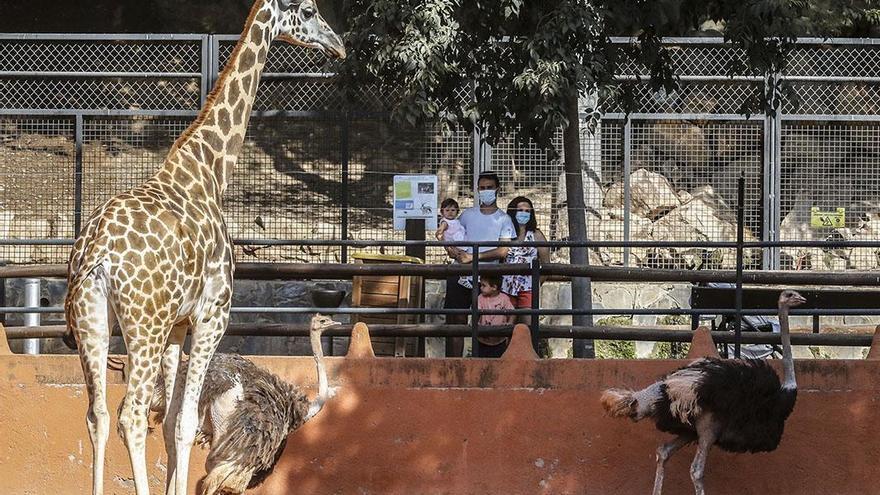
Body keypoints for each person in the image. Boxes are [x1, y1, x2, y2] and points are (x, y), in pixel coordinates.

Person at [443, 171, 516, 357]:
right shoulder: (467, 215)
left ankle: (482, 364)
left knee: (487, 322)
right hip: (461, 275)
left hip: (487, 278)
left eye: (489, 188)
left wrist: (473, 257)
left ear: (497, 189)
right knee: (456, 322)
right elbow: (452, 236)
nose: (485, 191)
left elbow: (503, 250)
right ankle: (453, 365)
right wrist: (453, 251)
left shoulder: (504, 219)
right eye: (482, 188)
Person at [502, 196, 551, 324]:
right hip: (506, 288)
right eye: (520, 210)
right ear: (513, 212)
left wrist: (536, 284)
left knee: (528, 327)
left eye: (527, 211)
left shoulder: (537, 235)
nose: (523, 213)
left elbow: (546, 264)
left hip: (528, 288)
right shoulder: (505, 234)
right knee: (505, 326)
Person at [476, 274, 515, 358]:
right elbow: (477, 313)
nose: (481, 288)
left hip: (499, 339)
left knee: (498, 361)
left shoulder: (504, 299)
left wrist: (510, 323)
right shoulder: (480, 298)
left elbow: (512, 312)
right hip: (483, 338)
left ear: (494, 287)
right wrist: (475, 322)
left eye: (483, 285)